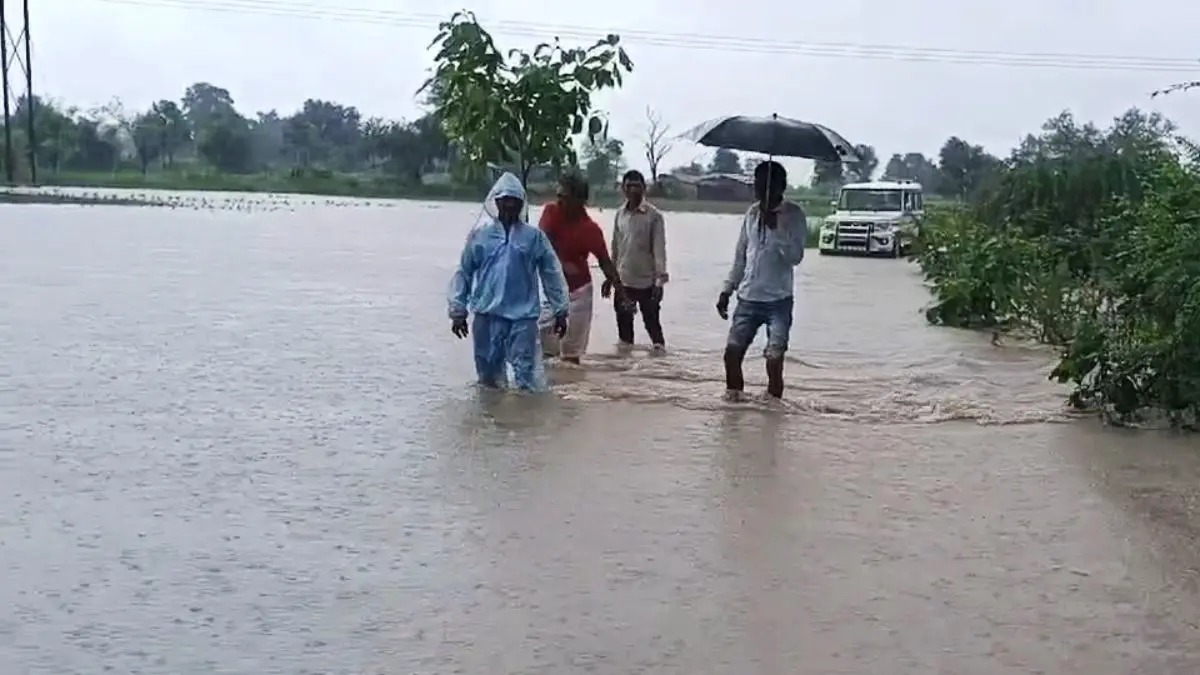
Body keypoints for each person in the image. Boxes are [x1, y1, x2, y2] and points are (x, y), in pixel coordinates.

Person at [448, 172, 569, 392]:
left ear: (521, 204)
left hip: (522, 317)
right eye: (505, 200)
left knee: (527, 377)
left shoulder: (534, 237)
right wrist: (458, 310)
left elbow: (551, 272)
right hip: (486, 313)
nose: (510, 205)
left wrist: (560, 309)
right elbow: (464, 272)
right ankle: (495, 421)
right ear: (497, 202)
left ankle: (527, 421)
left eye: (515, 201)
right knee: (488, 379)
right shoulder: (480, 236)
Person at [716, 160, 807, 400]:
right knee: (731, 355)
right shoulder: (752, 213)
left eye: (766, 184)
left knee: (774, 360)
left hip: (779, 300)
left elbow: (796, 257)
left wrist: (776, 230)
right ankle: (734, 406)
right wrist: (727, 290)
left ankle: (772, 409)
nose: (759, 188)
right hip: (747, 298)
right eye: (757, 183)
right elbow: (740, 256)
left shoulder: (794, 215)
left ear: (781, 186)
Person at [538, 172, 625, 364]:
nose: (560, 202)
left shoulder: (590, 229)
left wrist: (620, 291)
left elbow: (605, 262)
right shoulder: (550, 212)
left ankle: (570, 392)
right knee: (542, 345)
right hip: (550, 291)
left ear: (580, 200)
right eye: (558, 196)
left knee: (570, 352)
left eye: (566, 198)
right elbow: (543, 244)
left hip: (579, 292)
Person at [608, 169, 668, 354]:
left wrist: (659, 282)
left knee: (653, 330)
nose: (633, 190)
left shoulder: (654, 216)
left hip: (647, 283)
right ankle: (627, 375)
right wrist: (610, 278)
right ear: (623, 189)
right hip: (623, 282)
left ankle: (660, 365)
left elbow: (659, 251)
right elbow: (616, 248)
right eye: (629, 186)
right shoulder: (619, 214)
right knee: (624, 338)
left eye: (637, 186)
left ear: (644, 188)